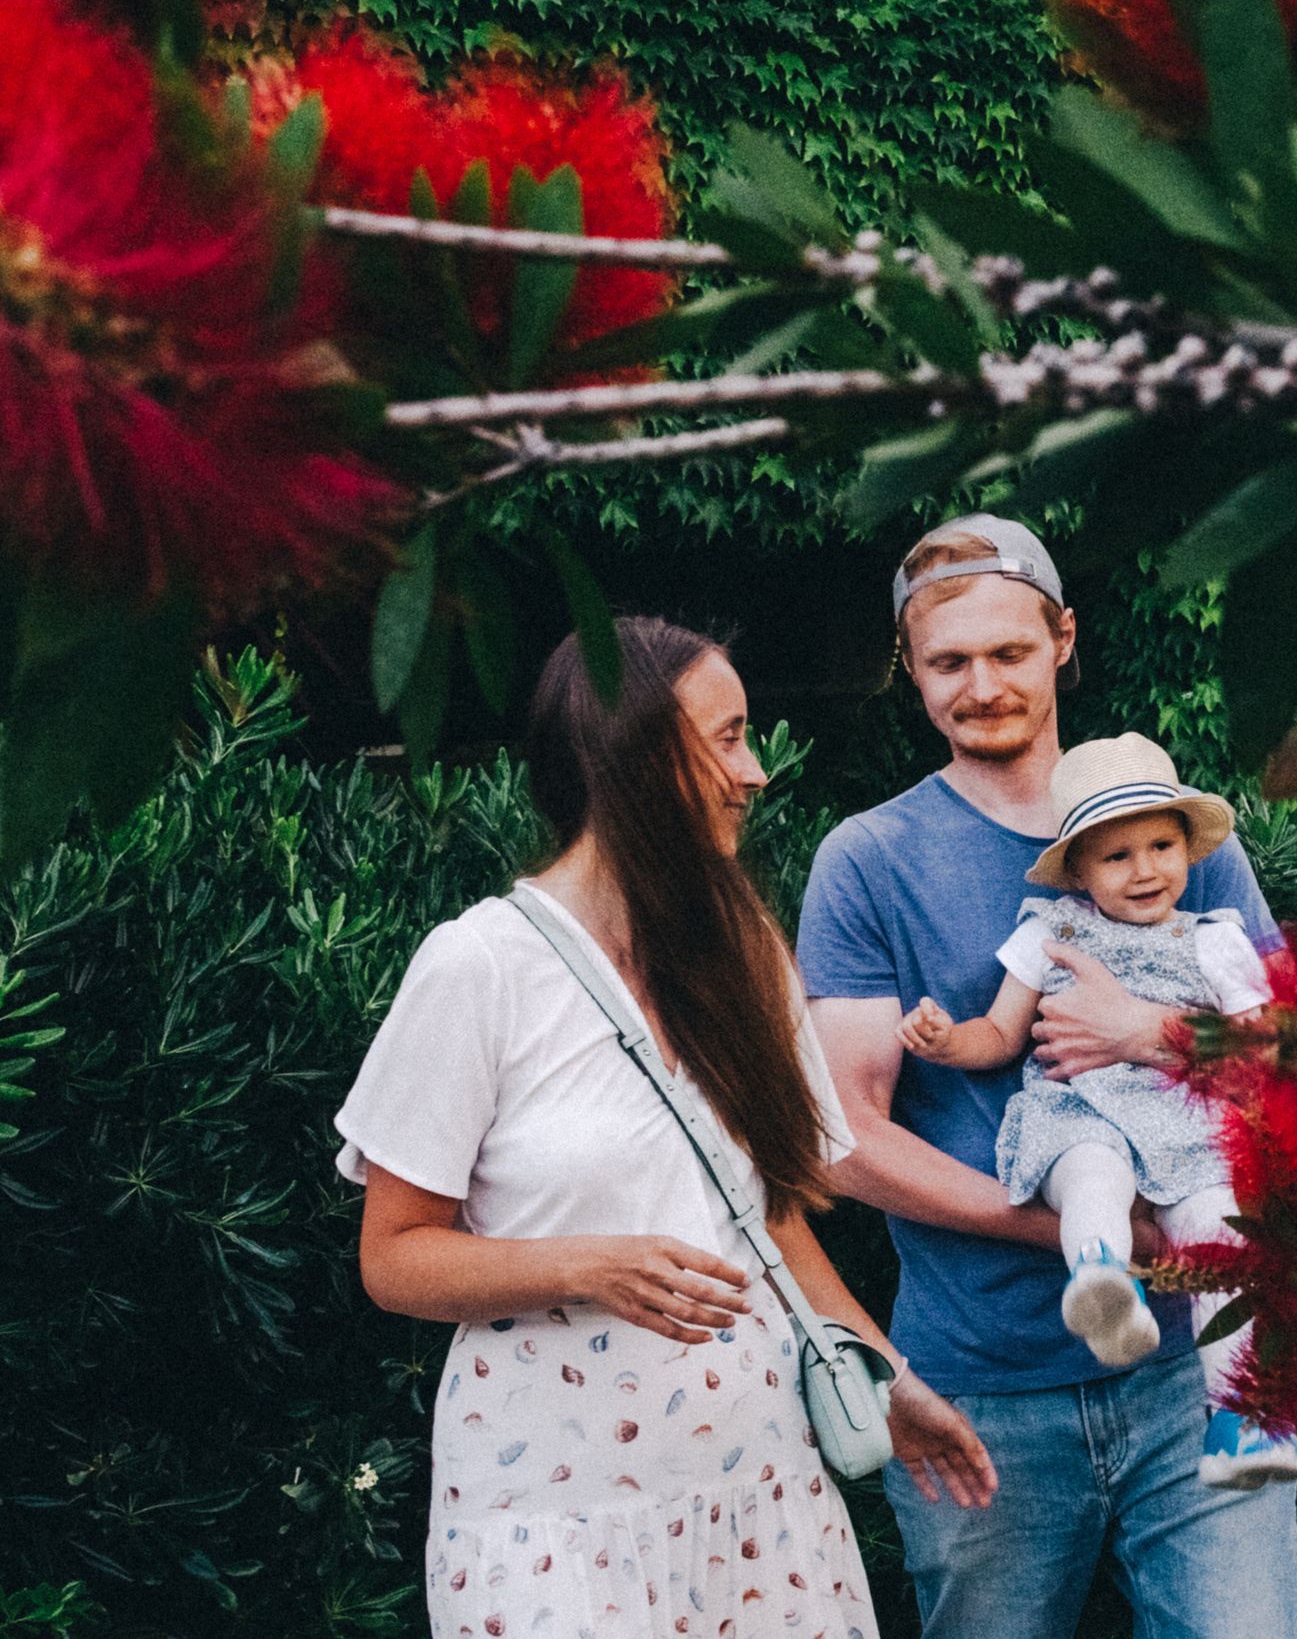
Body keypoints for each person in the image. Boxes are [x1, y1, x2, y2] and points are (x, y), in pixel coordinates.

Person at [336, 619, 996, 1639]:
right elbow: (392, 1256)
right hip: (553, 1520)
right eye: (729, 737)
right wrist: (585, 1266)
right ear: (635, 753)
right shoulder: (479, 967)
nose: (757, 770)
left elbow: (769, 1219)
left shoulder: (745, 953)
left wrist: (887, 1376)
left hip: (759, 1504)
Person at [798, 516, 1297, 1639]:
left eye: (1009, 652)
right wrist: (1089, 1231)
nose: (982, 687)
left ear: (1063, 640)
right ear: (910, 669)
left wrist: (1148, 1031)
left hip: (1195, 1368)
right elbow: (846, 1139)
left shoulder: (1180, 840)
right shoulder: (868, 861)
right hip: (979, 1386)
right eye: (948, 661)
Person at [896, 730, 1297, 1490]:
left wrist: (1151, 1031)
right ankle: (1101, 1280)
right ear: (1080, 870)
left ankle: (1242, 1418)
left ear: (1188, 851)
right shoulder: (1047, 929)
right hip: (1079, 1110)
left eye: (1161, 846)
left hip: (1185, 1126)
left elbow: (1270, 1049)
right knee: (1090, 1175)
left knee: (1221, 1236)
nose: (1144, 869)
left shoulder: (1215, 940)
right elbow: (999, 1034)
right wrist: (945, 1040)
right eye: (1117, 855)